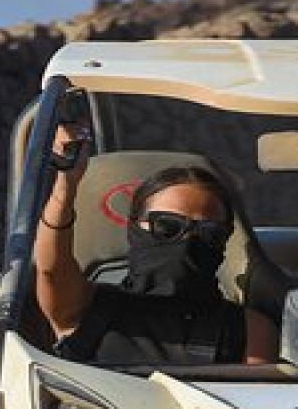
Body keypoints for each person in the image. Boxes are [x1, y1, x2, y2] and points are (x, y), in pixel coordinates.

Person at [34, 121, 278, 366]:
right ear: (135, 226)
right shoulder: (87, 309)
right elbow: (50, 269)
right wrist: (65, 188)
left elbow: (256, 396)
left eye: (208, 233)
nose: (187, 241)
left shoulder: (247, 328)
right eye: (167, 226)